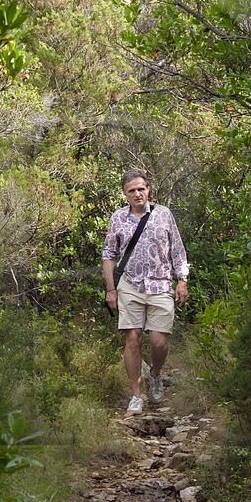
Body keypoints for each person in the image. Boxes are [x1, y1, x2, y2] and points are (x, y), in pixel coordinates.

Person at [102, 169, 189, 413]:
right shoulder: (118, 218)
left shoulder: (164, 215)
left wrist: (182, 280)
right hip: (130, 285)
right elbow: (109, 255)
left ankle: (156, 373)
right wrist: (111, 289)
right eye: (132, 190)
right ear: (125, 194)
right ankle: (136, 395)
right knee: (132, 339)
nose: (138, 194)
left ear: (148, 189)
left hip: (161, 285)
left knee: (159, 342)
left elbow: (177, 251)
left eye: (141, 188)